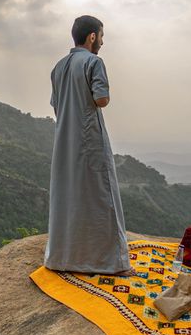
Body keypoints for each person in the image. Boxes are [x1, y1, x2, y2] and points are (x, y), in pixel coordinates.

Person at [44, 15, 135, 275]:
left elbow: (56, 104)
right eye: (102, 36)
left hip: (64, 139)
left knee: (70, 196)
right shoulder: (94, 62)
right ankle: (111, 262)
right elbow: (101, 99)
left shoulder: (58, 67)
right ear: (92, 36)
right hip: (89, 139)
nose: (103, 42)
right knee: (101, 195)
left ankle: (64, 257)